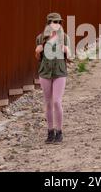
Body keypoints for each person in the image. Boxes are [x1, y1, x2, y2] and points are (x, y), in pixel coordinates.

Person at [35, 13, 71, 144]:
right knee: (48, 103)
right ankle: (50, 132)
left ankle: (59, 132)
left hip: (59, 73)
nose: (57, 24)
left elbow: (70, 56)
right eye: (54, 22)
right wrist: (38, 51)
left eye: (59, 22)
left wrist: (66, 50)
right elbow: (38, 59)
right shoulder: (40, 38)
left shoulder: (64, 38)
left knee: (57, 101)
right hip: (45, 73)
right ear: (48, 23)